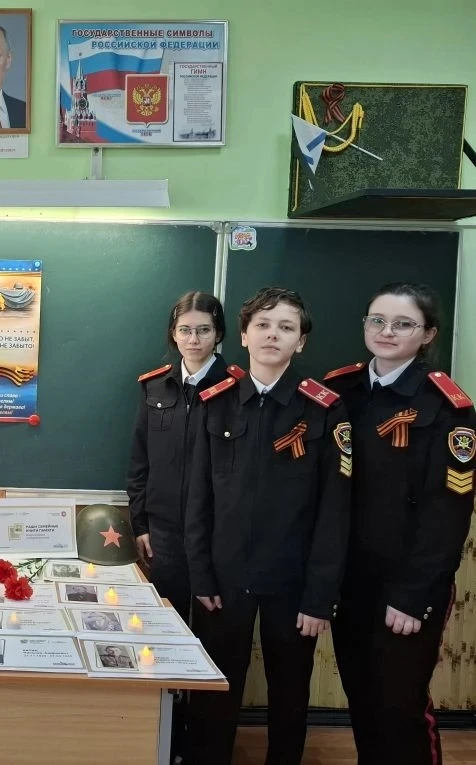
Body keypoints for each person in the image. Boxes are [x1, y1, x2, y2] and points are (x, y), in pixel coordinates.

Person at [184, 287, 351, 765]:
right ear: (243, 335)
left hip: (292, 582)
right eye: (262, 324)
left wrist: (320, 596)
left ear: (301, 341)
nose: (272, 335)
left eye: (286, 327)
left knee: (290, 692)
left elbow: (335, 510)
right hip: (224, 578)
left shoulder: (323, 408)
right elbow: (198, 497)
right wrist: (201, 575)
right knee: (216, 689)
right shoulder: (216, 402)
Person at [323, 282, 476, 765]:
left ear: (427, 334)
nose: (387, 331)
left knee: (400, 706)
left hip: (406, 583)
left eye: (403, 324)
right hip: (351, 579)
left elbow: (448, 512)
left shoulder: (447, 405)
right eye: (378, 320)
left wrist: (413, 594)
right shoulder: (342, 390)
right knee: (363, 697)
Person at [125, 291, 230, 765]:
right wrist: (141, 522)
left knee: (213, 644)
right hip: (163, 534)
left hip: (216, 538)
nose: (194, 339)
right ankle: (164, 743)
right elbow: (139, 461)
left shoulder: (235, 389)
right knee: (165, 637)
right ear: (173, 333)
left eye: (204, 330)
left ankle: (202, 747)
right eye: (185, 330)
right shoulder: (155, 387)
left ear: (219, 334)